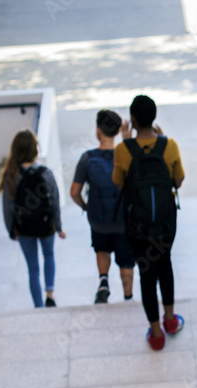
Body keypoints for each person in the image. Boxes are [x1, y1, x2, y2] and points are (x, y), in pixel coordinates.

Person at [113, 94, 185, 350]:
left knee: (146, 274)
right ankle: (170, 320)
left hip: (138, 227)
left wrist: (126, 143)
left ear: (132, 120)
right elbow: (177, 182)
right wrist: (163, 140)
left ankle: (156, 334)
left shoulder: (123, 150)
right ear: (154, 118)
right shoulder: (170, 145)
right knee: (165, 265)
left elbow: (120, 185)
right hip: (165, 224)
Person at [71, 109, 135, 304]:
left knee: (102, 249)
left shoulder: (87, 158)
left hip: (98, 220)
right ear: (117, 132)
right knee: (126, 260)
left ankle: (104, 281)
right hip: (123, 221)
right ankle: (128, 297)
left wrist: (86, 207)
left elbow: (74, 192)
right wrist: (127, 141)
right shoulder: (125, 156)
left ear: (98, 131)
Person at [0, 130, 64, 308]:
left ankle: (38, 306)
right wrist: (58, 226)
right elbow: (55, 201)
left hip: (24, 228)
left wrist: (11, 229)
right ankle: (50, 293)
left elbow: (7, 206)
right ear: (35, 149)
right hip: (45, 224)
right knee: (49, 255)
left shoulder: (11, 175)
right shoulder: (45, 173)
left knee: (32, 269)